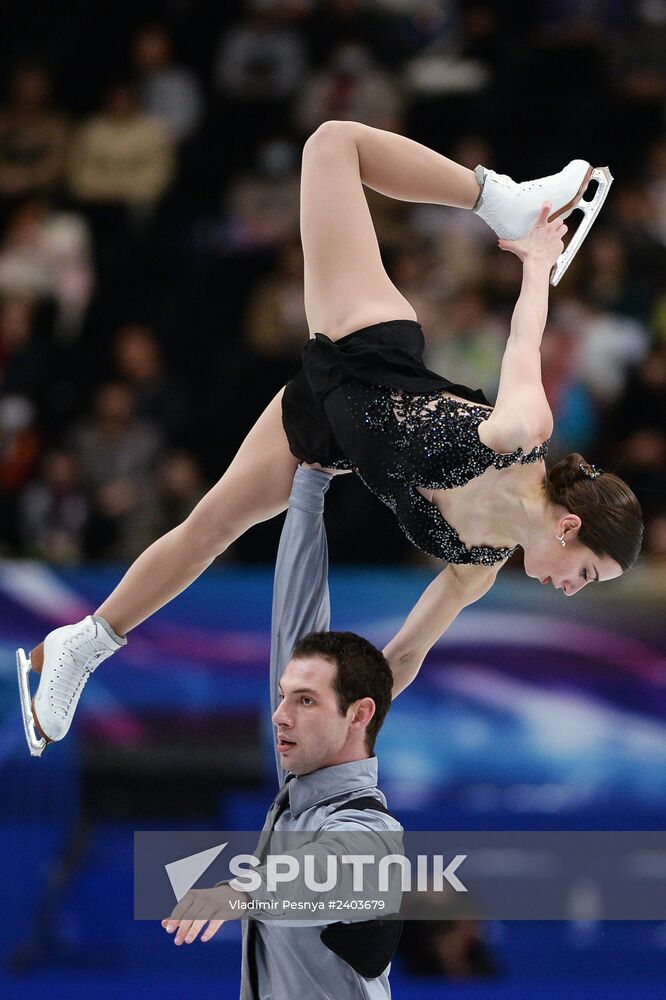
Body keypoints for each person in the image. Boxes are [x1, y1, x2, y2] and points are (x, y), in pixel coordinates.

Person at [19, 120, 642, 755]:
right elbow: (523, 340)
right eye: (586, 574)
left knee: (207, 529)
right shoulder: (521, 435)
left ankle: (83, 646)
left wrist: (348, 741)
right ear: (570, 528)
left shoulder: (476, 566)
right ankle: (500, 199)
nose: (572, 589)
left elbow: (400, 656)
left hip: (331, 435)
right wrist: (535, 259)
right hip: (367, 346)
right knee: (332, 145)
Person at [162, 464, 402, 999]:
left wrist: (239, 894)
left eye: (305, 701)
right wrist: (309, 485)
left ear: (358, 715)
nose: (279, 714)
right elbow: (294, 625)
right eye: (281, 697)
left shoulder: (370, 832)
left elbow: (324, 877)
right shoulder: (301, 791)